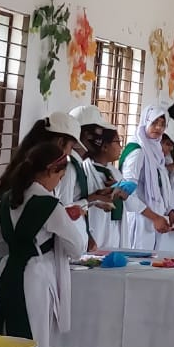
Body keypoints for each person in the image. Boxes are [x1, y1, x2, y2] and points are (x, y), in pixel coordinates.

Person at [0, 139, 86, 346]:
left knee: (4, 336)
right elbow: (77, 248)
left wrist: (17, 250)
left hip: (7, 272)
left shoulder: (7, 199)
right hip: (35, 276)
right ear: (51, 171)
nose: (58, 183)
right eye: (59, 177)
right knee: (34, 337)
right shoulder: (49, 204)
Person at [67, 105, 121, 250]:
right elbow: (63, 210)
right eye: (98, 133)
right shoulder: (69, 166)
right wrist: (92, 199)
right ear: (85, 134)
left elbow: (76, 202)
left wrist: (95, 198)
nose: (100, 139)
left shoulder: (77, 164)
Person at [121, 105, 174, 250]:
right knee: (138, 261)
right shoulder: (137, 151)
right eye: (154, 122)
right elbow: (126, 192)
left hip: (156, 218)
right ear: (145, 121)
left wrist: (170, 211)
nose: (158, 128)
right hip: (140, 218)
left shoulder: (156, 150)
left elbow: (161, 185)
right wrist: (154, 217)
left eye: (162, 124)